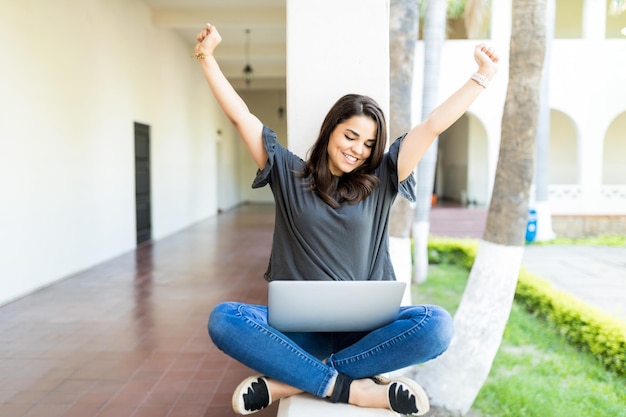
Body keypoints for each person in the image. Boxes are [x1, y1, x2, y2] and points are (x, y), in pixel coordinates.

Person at [194, 23, 499, 416]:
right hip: (300, 333)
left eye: (369, 143)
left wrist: (482, 77)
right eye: (350, 136)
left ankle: (292, 382)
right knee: (225, 319)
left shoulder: (383, 179)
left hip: (366, 334)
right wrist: (207, 57)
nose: (358, 150)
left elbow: (433, 125)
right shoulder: (289, 175)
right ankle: (352, 389)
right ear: (331, 129)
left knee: (437, 325)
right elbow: (241, 117)